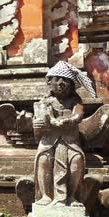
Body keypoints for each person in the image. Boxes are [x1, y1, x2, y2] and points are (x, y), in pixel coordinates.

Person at [32, 61, 96, 208]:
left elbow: (78, 114)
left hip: (69, 140)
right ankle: (46, 196)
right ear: (50, 82)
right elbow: (38, 122)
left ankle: (72, 196)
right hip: (49, 141)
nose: (61, 83)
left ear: (72, 85)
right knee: (43, 160)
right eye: (57, 79)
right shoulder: (45, 101)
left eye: (66, 80)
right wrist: (37, 125)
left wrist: (70, 120)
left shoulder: (75, 101)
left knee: (77, 160)